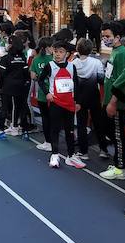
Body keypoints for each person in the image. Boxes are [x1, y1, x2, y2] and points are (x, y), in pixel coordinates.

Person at [38, 40, 88, 169]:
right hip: (56, 102)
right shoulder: (49, 65)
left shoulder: (72, 66)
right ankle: (54, 155)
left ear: (67, 54)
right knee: (55, 129)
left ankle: (71, 156)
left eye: (61, 52)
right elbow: (40, 79)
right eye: (55, 51)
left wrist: (77, 101)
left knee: (70, 130)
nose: (57, 54)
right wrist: (47, 93)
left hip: (69, 104)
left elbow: (76, 84)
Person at [100, 21, 125, 180]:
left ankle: (120, 166)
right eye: (103, 36)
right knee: (113, 133)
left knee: (118, 135)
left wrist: (113, 102)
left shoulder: (122, 54)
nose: (105, 39)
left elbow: (122, 82)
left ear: (118, 37)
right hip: (109, 100)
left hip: (118, 103)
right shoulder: (114, 52)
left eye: (108, 36)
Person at [71, 38, 109, 159]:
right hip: (94, 95)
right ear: (90, 49)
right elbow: (101, 79)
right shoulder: (96, 62)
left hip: (80, 97)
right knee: (98, 123)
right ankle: (103, 149)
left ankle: (84, 152)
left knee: (81, 124)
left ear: (78, 49)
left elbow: (72, 81)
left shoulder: (73, 64)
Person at [0, 32, 32, 138]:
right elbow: (26, 72)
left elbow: (0, 74)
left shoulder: (5, 58)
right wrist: (26, 82)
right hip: (21, 85)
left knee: (7, 107)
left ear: (11, 45)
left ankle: (8, 127)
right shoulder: (22, 57)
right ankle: (19, 126)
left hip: (8, 85)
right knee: (19, 106)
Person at [29, 37, 55, 152]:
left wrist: (40, 77)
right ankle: (55, 142)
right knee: (54, 119)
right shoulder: (55, 59)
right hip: (55, 93)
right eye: (52, 46)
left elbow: (33, 77)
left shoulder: (36, 60)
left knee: (45, 118)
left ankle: (48, 142)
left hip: (43, 94)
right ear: (47, 47)